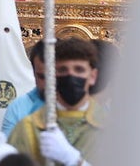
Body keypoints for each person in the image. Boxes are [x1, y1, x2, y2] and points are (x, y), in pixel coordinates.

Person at [7, 37, 102, 166]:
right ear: (52, 75)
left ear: (92, 76)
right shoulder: (28, 127)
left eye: (79, 69)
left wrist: (74, 160)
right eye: (63, 70)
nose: (71, 76)